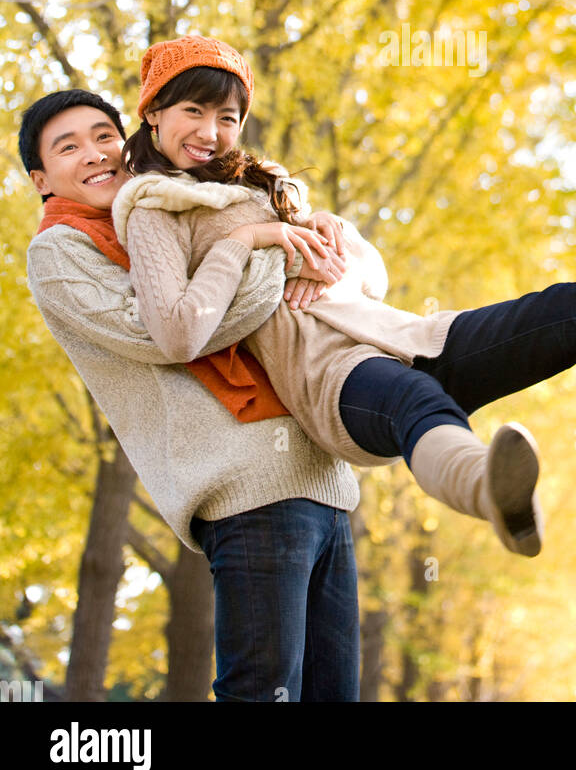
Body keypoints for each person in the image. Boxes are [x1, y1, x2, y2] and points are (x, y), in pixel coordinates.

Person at [115, 35, 576, 562]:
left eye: (227, 117)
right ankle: (493, 494)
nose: (212, 133)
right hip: (332, 383)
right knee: (417, 407)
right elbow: (179, 331)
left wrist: (333, 244)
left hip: (409, 332)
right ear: (153, 114)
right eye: (193, 113)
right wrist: (248, 246)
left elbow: (368, 274)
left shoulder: (267, 185)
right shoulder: (154, 209)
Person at [20, 89, 362, 703]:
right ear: (41, 179)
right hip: (246, 488)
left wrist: (303, 235)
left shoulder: (171, 212)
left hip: (320, 475)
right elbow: (172, 330)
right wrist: (272, 247)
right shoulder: (59, 252)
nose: (97, 154)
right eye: (68, 147)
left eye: (104, 135)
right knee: (261, 693)